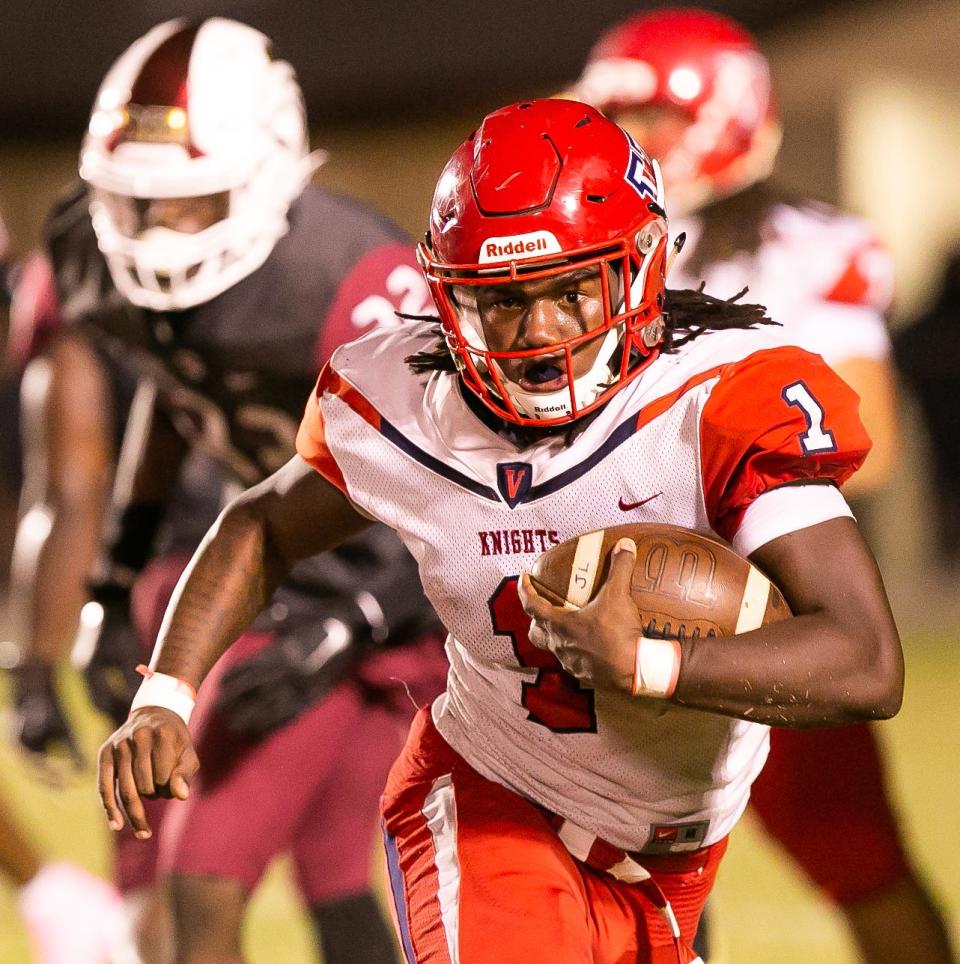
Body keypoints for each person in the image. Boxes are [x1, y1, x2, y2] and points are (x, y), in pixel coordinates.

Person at [97, 98, 903, 964]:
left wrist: (656, 664)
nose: (537, 334)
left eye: (569, 291)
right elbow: (261, 525)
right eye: (502, 301)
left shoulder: (721, 402)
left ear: (640, 269)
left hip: (667, 858)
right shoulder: (403, 402)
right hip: (490, 796)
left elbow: (865, 660)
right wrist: (165, 694)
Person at [11, 17, 446, 964]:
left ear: (265, 173)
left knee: (212, 878)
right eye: (135, 202)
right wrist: (114, 575)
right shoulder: (89, 250)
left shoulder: (355, 282)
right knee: (327, 868)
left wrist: (361, 614)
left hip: (410, 596)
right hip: (282, 570)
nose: (157, 230)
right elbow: (176, 398)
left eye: (190, 201)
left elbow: (463, 493)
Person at [570, 10, 955, 963]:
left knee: (857, 856)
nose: (629, 142)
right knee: (623, 873)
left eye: (650, 116)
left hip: (758, 597)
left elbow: (873, 438)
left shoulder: (807, 245)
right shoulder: (582, 239)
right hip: (614, 585)